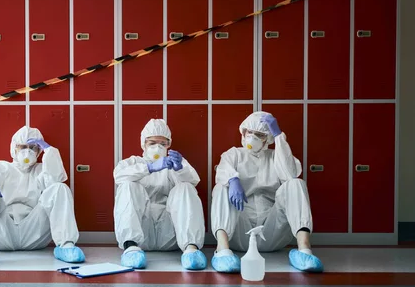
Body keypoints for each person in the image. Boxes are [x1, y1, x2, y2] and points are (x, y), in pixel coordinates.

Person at [210, 111, 324, 273]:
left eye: (260, 135)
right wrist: (233, 179)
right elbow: (223, 171)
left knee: (295, 183)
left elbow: (290, 174)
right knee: (222, 186)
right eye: (250, 132)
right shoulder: (233, 154)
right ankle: (222, 250)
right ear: (243, 132)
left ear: (268, 138)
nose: (253, 138)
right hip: (239, 232)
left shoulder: (275, 157)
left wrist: (279, 136)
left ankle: (304, 250)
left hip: (272, 231)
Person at [0, 126, 85, 269]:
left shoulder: (42, 170)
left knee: (60, 188)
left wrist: (50, 151)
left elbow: (56, 178)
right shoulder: (3, 167)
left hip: (34, 232)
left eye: (33, 147)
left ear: (39, 151)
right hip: (3, 233)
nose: (27, 151)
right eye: (23, 147)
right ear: (14, 148)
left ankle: (66, 245)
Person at [113, 119, 207, 270]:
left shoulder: (175, 162)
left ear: (169, 145)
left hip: (170, 234)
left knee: (185, 187)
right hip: (141, 235)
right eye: (152, 143)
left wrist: (180, 169)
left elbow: (193, 180)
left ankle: (191, 249)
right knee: (128, 185)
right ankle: (130, 246)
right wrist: (149, 168)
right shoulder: (131, 162)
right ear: (143, 144)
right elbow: (118, 176)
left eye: (162, 144)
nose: (158, 147)